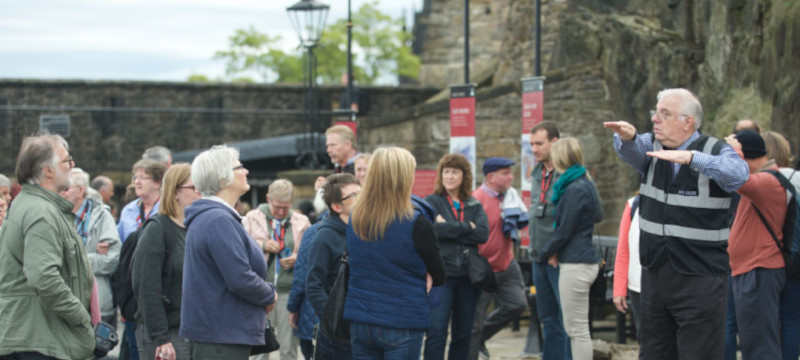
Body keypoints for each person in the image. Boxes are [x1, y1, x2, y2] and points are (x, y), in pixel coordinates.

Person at [604, 88, 749, 359]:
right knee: (654, 353)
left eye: (665, 114)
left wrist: (693, 158)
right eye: (655, 113)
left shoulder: (716, 150)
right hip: (655, 274)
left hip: (700, 277)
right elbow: (631, 151)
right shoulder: (651, 145)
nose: (656, 119)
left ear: (688, 122)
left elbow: (739, 176)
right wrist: (628, 138)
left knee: (700, 353)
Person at [344, 147, 446, 359]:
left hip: (361, 319)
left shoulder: (355, 217)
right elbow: (439, 275)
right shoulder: (416, 222)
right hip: (402, 321)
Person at [0, 134, 95, 360]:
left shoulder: (32, 205)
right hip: (37, 342)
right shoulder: (41, 212)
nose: (71, 165)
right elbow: (43, 277)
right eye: (66, 160)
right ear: (48, 170)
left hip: (34, 337)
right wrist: (81, 316)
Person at [180, 145, 278, 360]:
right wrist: (270, 294)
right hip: (221, 335)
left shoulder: (214, 217)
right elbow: (239, 278)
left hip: (221, 332)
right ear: (223, 178)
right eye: (239, 167)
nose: (246, 171)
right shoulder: (217, 220)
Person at [536, 138, 602, 360]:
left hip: (576, 263)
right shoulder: (585, 182)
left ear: (560, 158)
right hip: (583, 259)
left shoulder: (574, 188)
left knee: (576, 330)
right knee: (577, 328)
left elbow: (565, 230)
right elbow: (598, 216)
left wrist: (544, 253)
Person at [725, 130, 788, 359]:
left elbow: (733, 177)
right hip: (750, 270)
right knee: (753, 340)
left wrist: (733, 153)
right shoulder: (759, 180)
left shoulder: (766, 181)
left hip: (759, 270)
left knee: (760, 343)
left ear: (746, 155)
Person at [423, 154, 490, 360]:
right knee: (436, 332)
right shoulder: (432, 203)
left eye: (455, 172)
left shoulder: (473, 204)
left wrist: (448, 227)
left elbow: (482, 233)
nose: (450, 176)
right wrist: (464, 227)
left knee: (463, 335)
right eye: (446, 172)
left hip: (468, 278)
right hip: (442, 277)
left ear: (464, 176)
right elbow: (431, 231)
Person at [131, 163, 201, 360]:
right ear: (175, 192)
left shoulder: (194, 228)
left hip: (191, 330)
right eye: (193, 187)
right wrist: (161, 338)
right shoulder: (157, 229)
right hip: (165, 334)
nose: (199, 193)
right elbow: (146, 286)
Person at [242, 179, 311, 360]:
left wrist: (297, 257)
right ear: (267, 199)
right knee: (259, 348)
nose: (281, 212)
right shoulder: (250, 218)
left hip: (288, 291)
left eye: (285, 208)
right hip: (260, 290)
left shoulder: (302, 221)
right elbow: (239, 249)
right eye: (277, 207)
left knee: (288, 348)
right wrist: (262, 245)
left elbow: (310, 251)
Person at [469, 157, 529, 360]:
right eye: (505, 173)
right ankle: (473, 349)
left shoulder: (510, 197)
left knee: (517, 304)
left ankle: (480, 340)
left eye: (510, 172)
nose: (511, 176)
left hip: (507, 264)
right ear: (490, 177)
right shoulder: (475, 200)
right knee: (474, 322)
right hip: (483, 269)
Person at [526, 121, 571, 360]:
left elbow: (572, 219)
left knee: (566, 320)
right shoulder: (536, 173)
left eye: (539, 144)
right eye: (531, 144)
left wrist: (557, 250)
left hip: (558, 259)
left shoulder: (567, 174)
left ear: (555, 142)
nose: (534, 149)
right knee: (548, 319)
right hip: (537, 257)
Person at [306, 173, 361, 359]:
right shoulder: (324, 237)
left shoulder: (364, 232)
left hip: (362, 329)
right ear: (337, 206)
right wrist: (334, 321)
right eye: (353, 196)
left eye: (361, 193)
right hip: (337, 337)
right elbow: (313, 285)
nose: (360, 199)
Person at [117, 158, 166, 360]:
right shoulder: (128, 211)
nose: (137, 182)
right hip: (131, 289)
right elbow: (121, 248)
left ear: (157, 183)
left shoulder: (166, 210)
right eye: (135, 177)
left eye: (143, 178)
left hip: (157, 285)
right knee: (135, 347)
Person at [60, 168, 122, 328]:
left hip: (95, 303)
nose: (61, 193)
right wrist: (92, 254)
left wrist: (73, 259)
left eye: (66, 189)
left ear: (81, 191)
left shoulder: (102, 216)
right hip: (62, 303)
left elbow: (112, 259)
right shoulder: (55, 215)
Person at [763, 130, 800, 360]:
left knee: (766, 322)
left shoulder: (760, 180)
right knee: (792, 320)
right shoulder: (797, 177)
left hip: (768, 260)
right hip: (796, 259)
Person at [612, 193, 643, 359]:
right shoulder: (633, 205)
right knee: (645, 339)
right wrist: (619, 290)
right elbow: (623, 249)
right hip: (638, 284)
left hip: (669, 282)